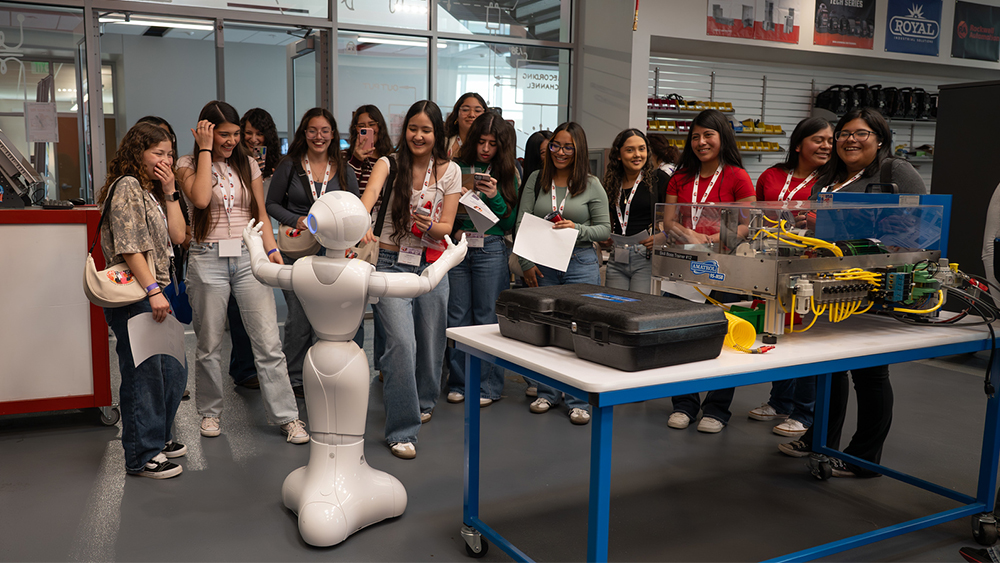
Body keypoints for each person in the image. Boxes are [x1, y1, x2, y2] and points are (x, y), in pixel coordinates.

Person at [779, 107, 927, 477]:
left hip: (875, 284)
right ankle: (820, 439)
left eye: (861, 133)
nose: (850, 140)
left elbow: (920, 223)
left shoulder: (894, 172)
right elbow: (821, 230)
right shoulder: (825, 180)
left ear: (880, 138)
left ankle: (865, 457)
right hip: (830, 284)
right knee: (828, 366)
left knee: (870, 372)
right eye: (844, 133)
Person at [176, 100, 308, 444]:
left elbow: (261, 212)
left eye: (236, 134)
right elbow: (201, 200)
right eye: (224, 134)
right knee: (209, 344)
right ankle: (209, 413)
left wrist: (272, 249)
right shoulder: (187, 163)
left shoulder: (248, 164)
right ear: (206, 131)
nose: (232, 140)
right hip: (207, 259)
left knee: (267, 342)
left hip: (249, 258)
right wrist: (206, 150)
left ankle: (288, 417)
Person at [358, 100, 462, 459]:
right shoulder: (388, 163)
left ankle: (424, 398)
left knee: (432, 340)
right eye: (413, 129)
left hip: (432, 263)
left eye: (426, 130)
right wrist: (359, 221)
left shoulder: (450, 171)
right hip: (390, 262)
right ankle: (402, 429)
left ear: (437, 134)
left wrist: (428, 226)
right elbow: (369, 197)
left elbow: (448, 225)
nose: (419, 136)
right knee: (401, 343)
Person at [98, 122, 187, 478]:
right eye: (158, 153)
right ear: (138, 152)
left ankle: (158, 436)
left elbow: (179, 235)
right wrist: (152, 290)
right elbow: (129, 246)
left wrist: (170, 190)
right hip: (139, 294)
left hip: (158, 291)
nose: (165, 160)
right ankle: (141, 453)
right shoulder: (129, 186)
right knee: (143, 374)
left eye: (169, 154)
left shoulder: (151, 191)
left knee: (169, 371)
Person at [664, 108, 755, 434]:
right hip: (684, 266)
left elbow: (747, 224)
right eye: (696, 136)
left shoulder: (737, 176)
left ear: (722, 138)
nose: (701, 142)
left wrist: (713, 239)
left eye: (708, 135)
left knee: (723, 337)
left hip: (724, 267)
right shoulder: (680, 177)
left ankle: (717, 408)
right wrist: (692, 237)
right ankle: (684, 404)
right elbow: (669, 221)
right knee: (679, 336)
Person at [515, 121, 611, 425]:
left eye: (568, 147)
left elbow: (605, 229)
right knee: (544, 328)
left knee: (579, 330)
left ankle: (578, 399)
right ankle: (547, 390)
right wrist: (526, 263)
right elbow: (522, 221)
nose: (560, 152)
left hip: (580, 261)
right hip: (542, 263)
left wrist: (577, 229)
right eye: (556, 145)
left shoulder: (591, 184)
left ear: (579, 150)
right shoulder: (536, 179)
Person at [748, 116, 833, 438]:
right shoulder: (772, 174)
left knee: (805, 337)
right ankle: (780, 400)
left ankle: (804, 411)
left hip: (808, 265)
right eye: (818, 139)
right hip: (770, 260)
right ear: (799, 144)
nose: (826, 145)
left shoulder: (828, 181)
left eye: (829, 140)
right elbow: (757, 212)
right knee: (776, 331)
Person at [266, 107, 360, 398]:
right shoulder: (290, 165)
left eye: (324, 131)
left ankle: (323, 372)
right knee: (298, 316)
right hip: (298, 248)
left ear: (333, 134)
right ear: (303, 133)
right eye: (312, 130)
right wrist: (296, 219)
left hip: (333, 252)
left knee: (328, 316)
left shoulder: (343, 169)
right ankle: (294, 378)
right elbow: (271, 204)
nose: (318, 136)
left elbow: (354, 206)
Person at [444, 112, 519, 406]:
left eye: (492, 144)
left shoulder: (508, 170)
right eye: (482, 142)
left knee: (487, 315)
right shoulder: (456, 166)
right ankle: (459, 382)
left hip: (491, 247)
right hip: (461, 243)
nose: (486, 149)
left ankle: (488, 385)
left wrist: (495, 194)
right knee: (458, 315)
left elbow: (508, 221)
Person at [225, 108, 281, 390]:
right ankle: (243, 368)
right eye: (247, 133)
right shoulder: (231, 162)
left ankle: (261, 367)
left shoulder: (276, 165)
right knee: (237, 310)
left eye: (259, 134)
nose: (253, 138)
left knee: (263, 312)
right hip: (235, 239)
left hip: (265, 237)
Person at [601, 129, 669, 293]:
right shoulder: (611, 182)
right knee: (613, 308)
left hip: (645, 256)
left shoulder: (659, 179)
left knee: (637, 310)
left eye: (642, 149)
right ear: (618, 154)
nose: (637, 155)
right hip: (616, 255)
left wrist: (664, 236)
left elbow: (676, 216)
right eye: (630, 150)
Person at [444, 92, 486, 158]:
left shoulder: (490, 144)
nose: (471, 115)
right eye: (465, 110)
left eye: (477, 111)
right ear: (456, 115)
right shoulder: (444, 142)